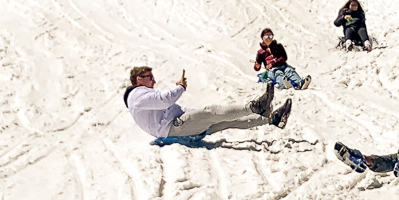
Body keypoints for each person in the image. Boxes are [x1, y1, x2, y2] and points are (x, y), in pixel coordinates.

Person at [125, 67, 292, 139]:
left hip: (176, 126)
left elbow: (168, 108)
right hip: (173, 127)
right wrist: (180, 87)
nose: (154, 80)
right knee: (212, 112)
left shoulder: (140, 98)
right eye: (149, 77)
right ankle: (256, 107)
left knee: (226, 120)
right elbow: (164, 101)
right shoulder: (137, 95)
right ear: (138, 79)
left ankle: (273, 119)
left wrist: (193, 114)